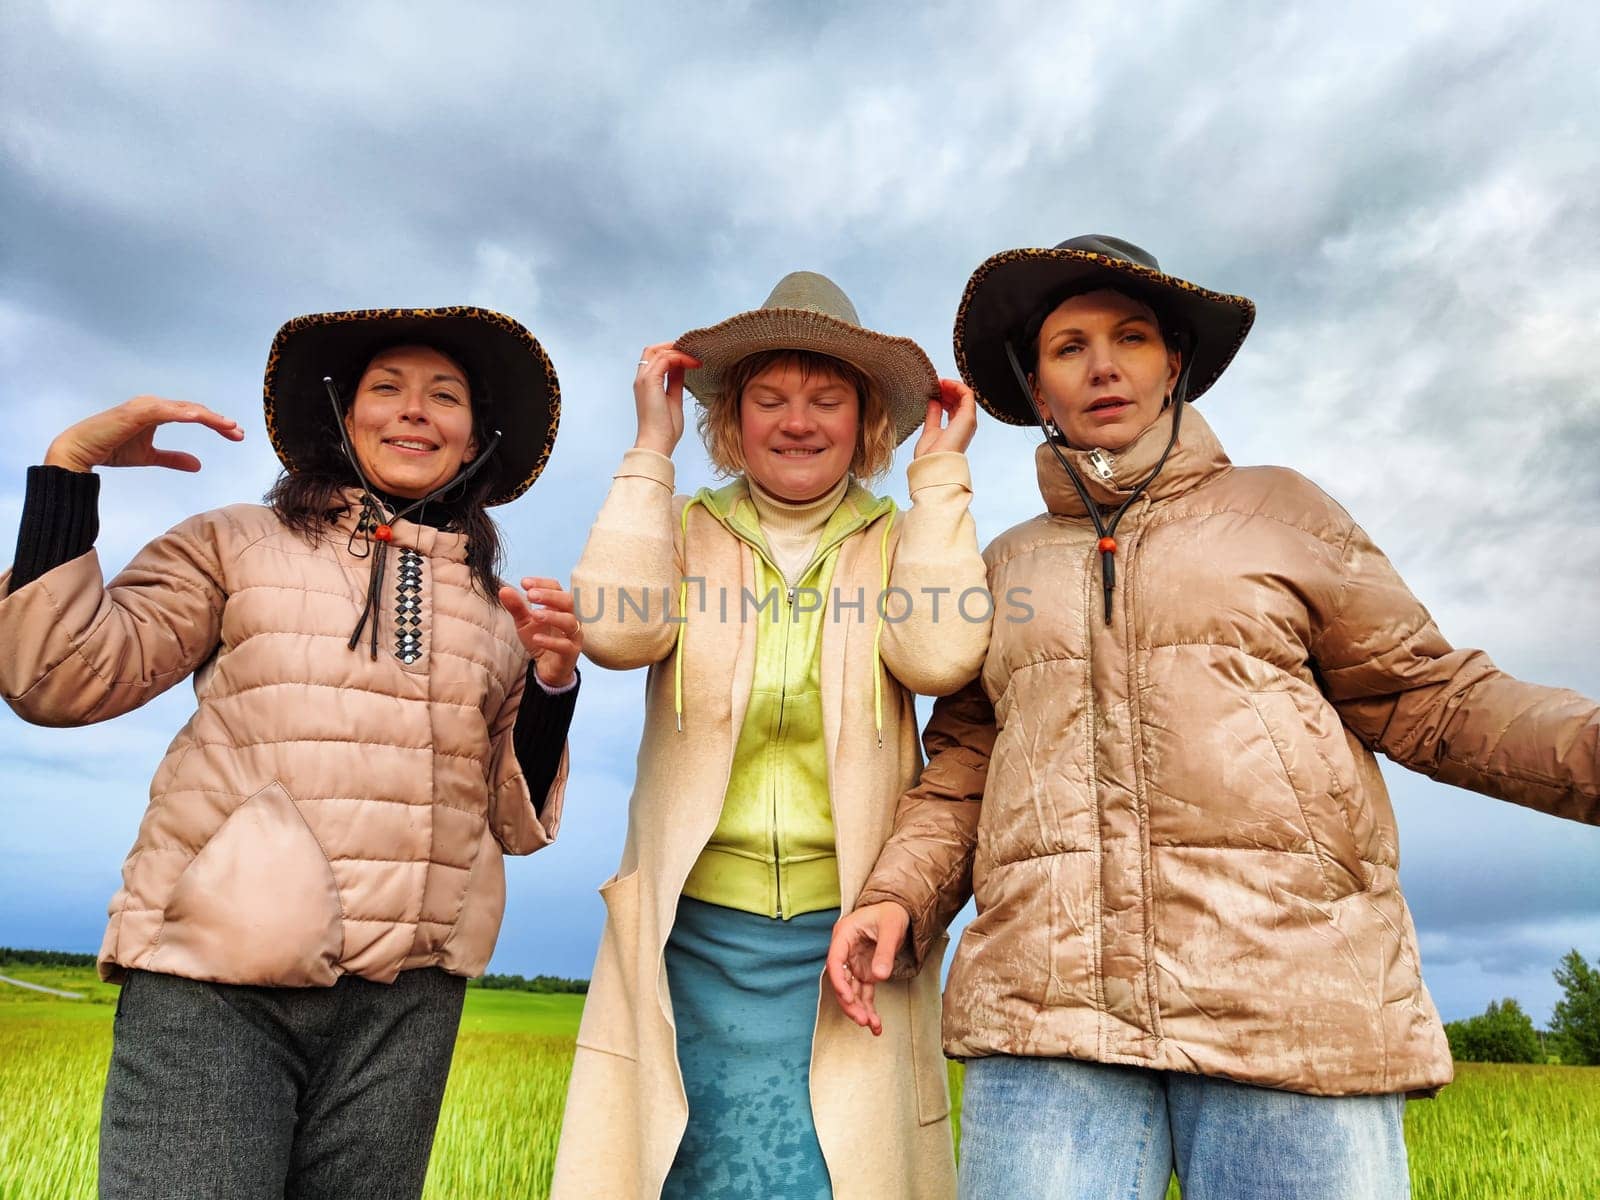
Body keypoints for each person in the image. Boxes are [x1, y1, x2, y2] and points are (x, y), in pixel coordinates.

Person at [827, 236, 1600, 1200]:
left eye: (1132, 337)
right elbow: (968, 763)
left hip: (1291, 1000)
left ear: (1174, 364)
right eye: (1069, 347)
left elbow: (1430, 698)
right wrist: (897, 895)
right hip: (1049, 1017)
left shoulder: (1282, 512)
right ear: (1036, 385)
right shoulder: (1007, 568)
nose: (1102, 364)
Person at [0, 306, 583, 1200]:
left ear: (475, 441)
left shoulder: (497, 612)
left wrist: (550, 683)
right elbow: (57, 678)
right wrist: (68, 469)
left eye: (445, 397)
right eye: (385, 389)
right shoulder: (235, 543)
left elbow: (512, 819)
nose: (414, 411)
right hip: (219, 983)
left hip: (407, 1006)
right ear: (341, 419)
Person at [550, 272, 988, 1199]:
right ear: (731, 420)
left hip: (849, 934)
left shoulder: (901, 540)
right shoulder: (681, 530)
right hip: (691, 932)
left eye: (827, 399)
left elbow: (942, 656)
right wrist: (648, 451)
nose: (798, 422)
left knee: (832, 1176)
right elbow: (616, 630)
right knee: (685, 1171)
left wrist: (941, 476)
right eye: (770, 399)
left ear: (866, 421)